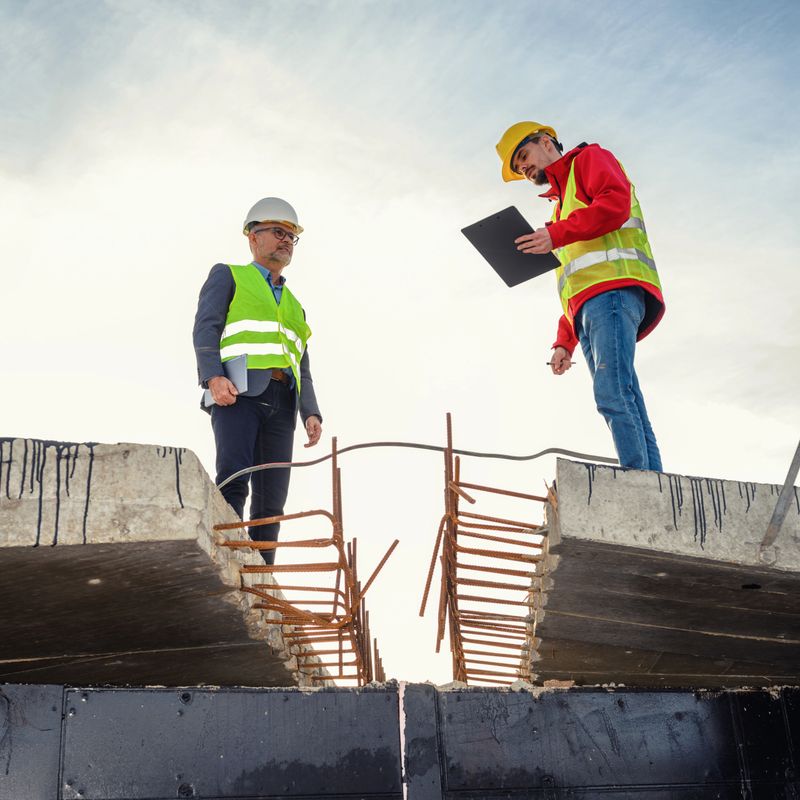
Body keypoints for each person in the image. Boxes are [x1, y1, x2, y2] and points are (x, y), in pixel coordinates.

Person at [495, 122, 665, 471]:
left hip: (614, 293)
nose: (524, 169)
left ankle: (638, 481)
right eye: (518, 168)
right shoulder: (559, 210)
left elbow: (615, 205)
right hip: (592, 307)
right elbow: (577, 283)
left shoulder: (590, 159)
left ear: (545, 142)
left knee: (613, 393)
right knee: (625, 396)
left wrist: (555, 235)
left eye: (523, 157)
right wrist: (563, 342)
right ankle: (651, 481)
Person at [193, 197, 323, 563]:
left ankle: (261, 577)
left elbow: (303, 362)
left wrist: (310, 411)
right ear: (253, 237)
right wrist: (212, 378)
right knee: (235, 477)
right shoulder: (229, 275)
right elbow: (207, 327)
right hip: (239, 393)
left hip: (284, 402)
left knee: (272, 500)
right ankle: (228, 559)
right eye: (278, 232)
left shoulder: (295, 304)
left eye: (291, 236)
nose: (285, 241)